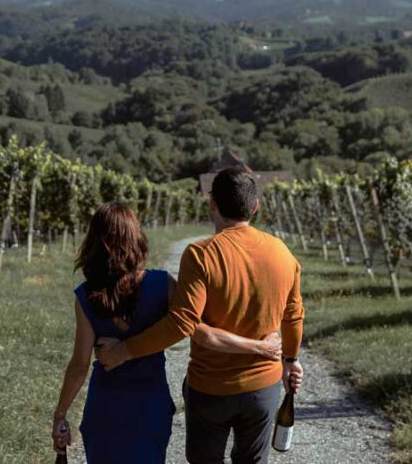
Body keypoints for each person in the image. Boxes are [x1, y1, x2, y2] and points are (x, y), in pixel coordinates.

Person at [97, 168, 305, 464]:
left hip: (210, 389)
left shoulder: (201, 254)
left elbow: (182, 323)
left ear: (212, 204)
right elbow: (294, 315)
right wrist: (290, 361)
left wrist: (125, 351)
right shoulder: (283, 253)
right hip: (264, 387)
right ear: (255, 206)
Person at [50, 202, 282, 464]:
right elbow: (198, 330)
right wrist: (258, 346)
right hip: (150, 406)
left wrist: (61, 413)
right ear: (135, 238)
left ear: (93, 241)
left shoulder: (85, 297)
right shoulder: (162, 285)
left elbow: (79, 365)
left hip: (105, 407)